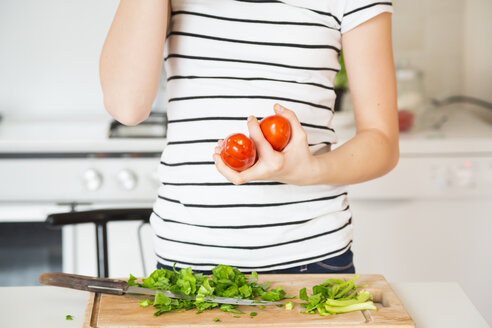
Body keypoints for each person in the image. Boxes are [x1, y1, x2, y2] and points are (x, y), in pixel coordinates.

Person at [99, 0, 399, 275]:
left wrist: (310, 170)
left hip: (312, 256)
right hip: (187, 258)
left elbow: (381, 140)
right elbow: (127, 108)